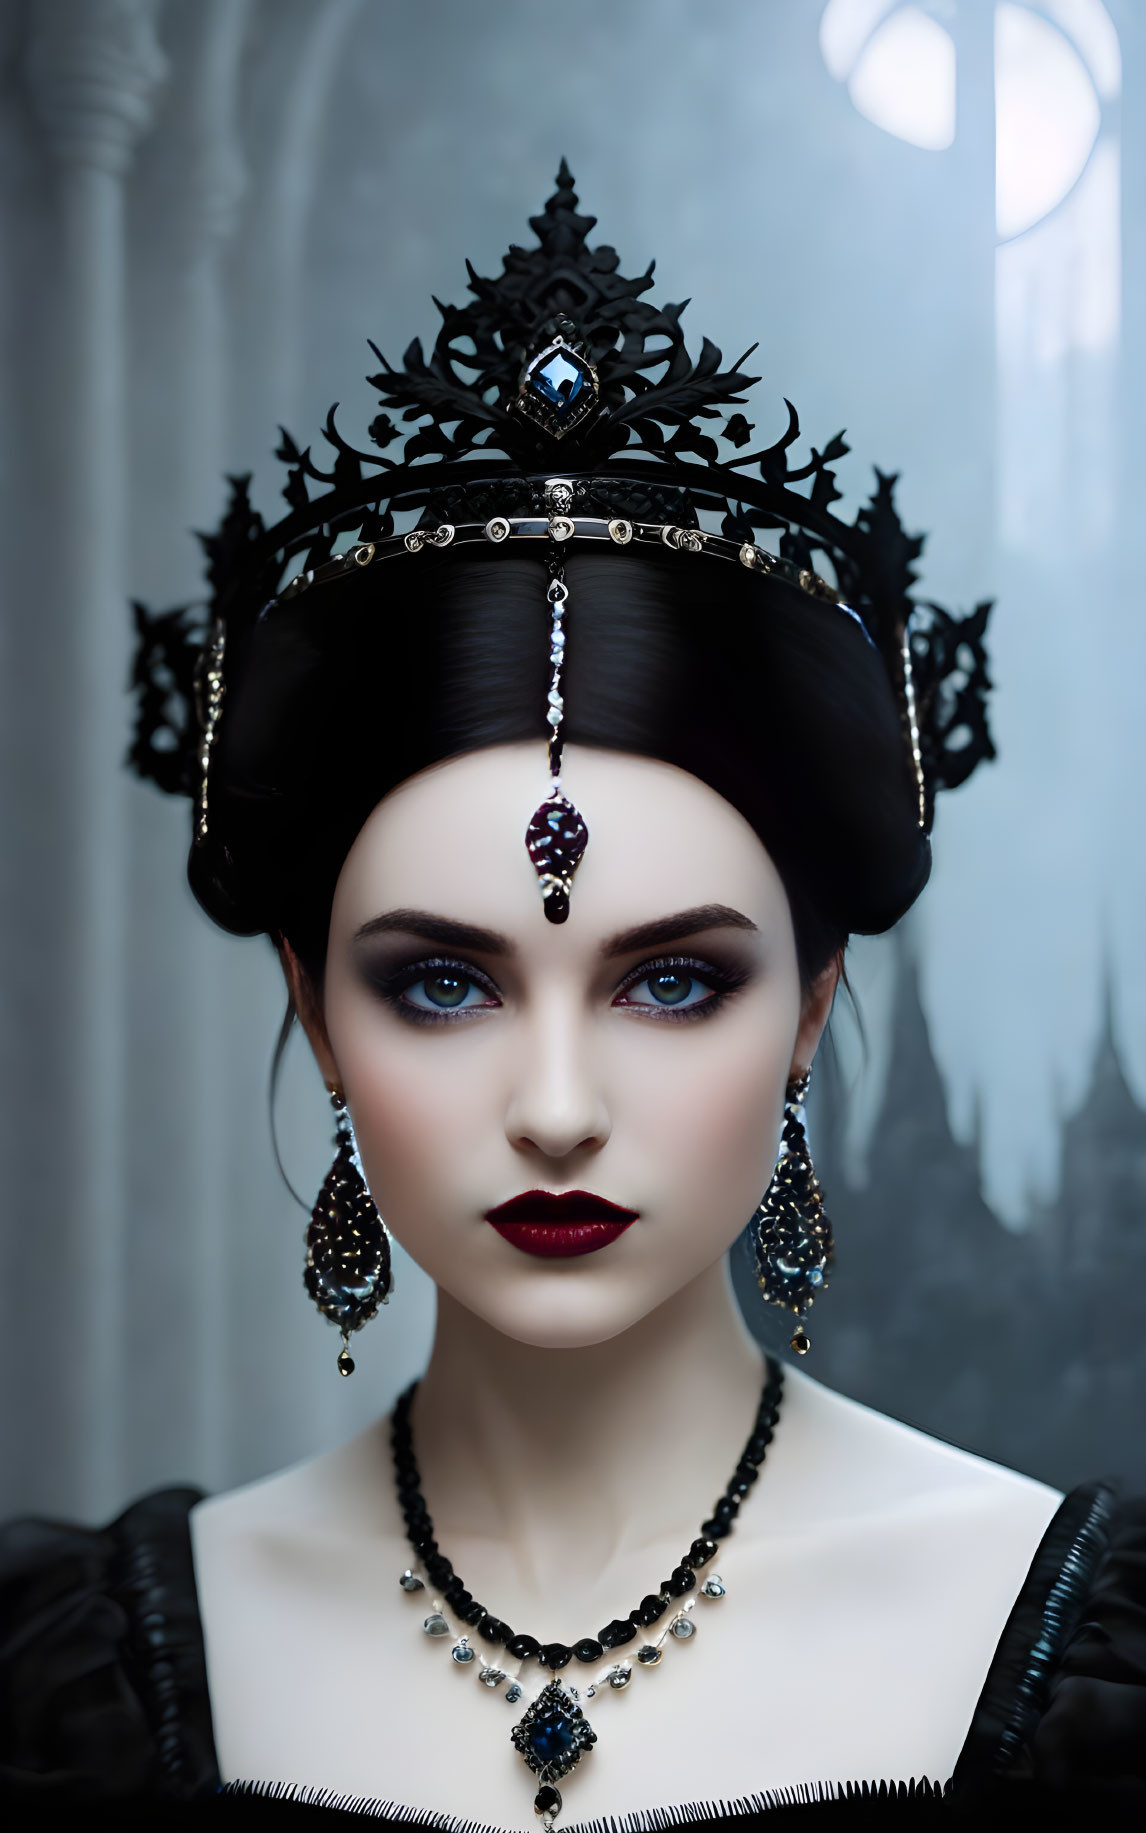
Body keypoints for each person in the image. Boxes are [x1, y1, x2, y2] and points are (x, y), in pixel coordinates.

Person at [2, 166, 1142, 1830]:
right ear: (316, 1014)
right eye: (443, 982)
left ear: (812, 1007)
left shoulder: (1084, 1666)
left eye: (672, 980)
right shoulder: (70, 1681)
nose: (553, 1102)